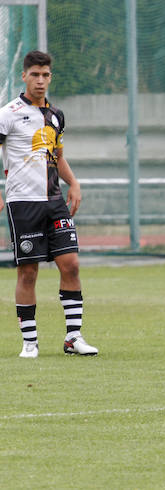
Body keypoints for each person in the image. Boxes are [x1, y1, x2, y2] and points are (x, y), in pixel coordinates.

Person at [0, 50, 98, 358]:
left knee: (71, 265)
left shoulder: (56, 115)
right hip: (23, 202)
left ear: (50, 77)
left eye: (45, 75)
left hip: (54, 201)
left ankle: (73, 338)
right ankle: (30, 342)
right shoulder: (9, 113)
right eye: (35, 75)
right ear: (24, 76)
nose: (40, 81)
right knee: (27, 272)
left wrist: (75, 183)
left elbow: (58, 156)